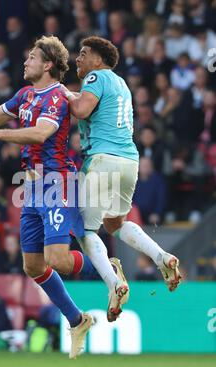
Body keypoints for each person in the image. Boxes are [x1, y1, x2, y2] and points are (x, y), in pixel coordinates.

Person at [0, 36, 95, 359]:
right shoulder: (25, 95)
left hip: (56, 182)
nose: (25, 61)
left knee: (58, 259)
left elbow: (40, 133)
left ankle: (103, 265)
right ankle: (77, 319)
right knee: (32, 266)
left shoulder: (57, 96)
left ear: (47, 64)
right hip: (31, 188)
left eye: (32, 56)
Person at [63, 36, 182, 320]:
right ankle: (162, 257)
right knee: (115, 222)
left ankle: (114, 283)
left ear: (98, 59)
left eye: (83, 53)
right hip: (129, 160)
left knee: (85, 231)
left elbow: (80, 110)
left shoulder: (95, 76)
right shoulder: (121, 83)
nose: (77, 58)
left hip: (102, 159)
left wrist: (63, 94)